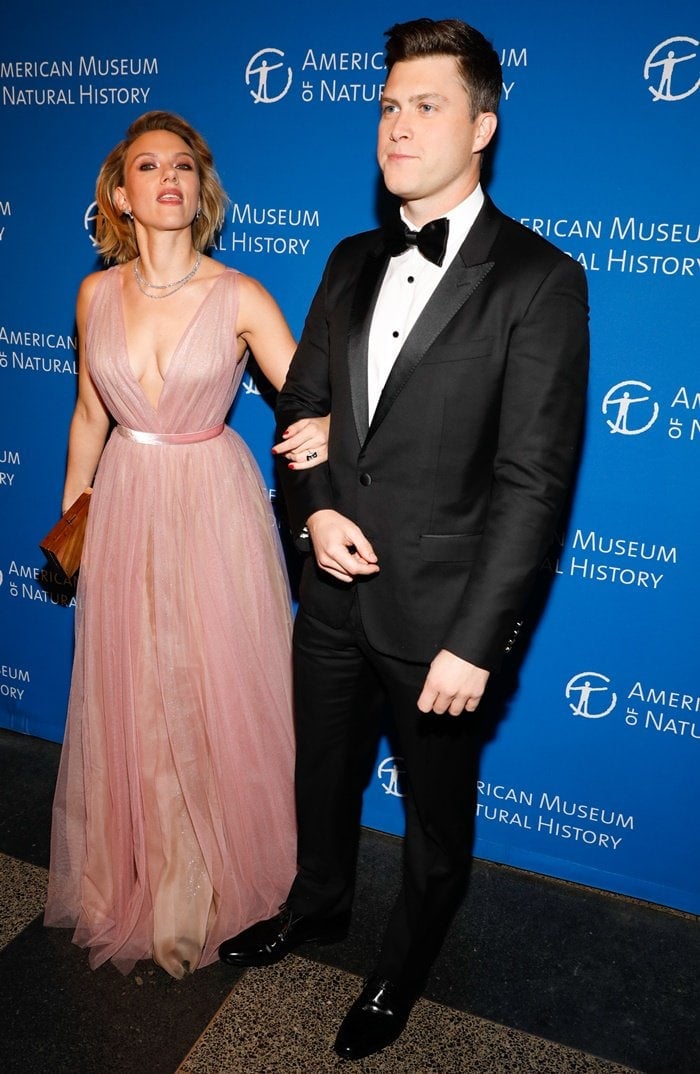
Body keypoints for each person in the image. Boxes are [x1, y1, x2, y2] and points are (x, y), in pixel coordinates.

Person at [219, 16, 590, 1062]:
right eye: (387, 103)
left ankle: (401, 969)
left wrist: (477, 642)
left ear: (482, 125)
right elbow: (301, 406)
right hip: (329, 592)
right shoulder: (347, 257)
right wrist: (317, 511)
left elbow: (532, 483)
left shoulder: (538, 280)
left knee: (434, 822)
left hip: (442, 618)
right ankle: (317, 905)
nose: (396, 123)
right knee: (322, 774)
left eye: (425, 105)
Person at [44, 111, 328, 980]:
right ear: (120, 195)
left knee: (216, 682)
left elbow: (308, 394)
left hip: (214, 501)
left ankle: (214, 880)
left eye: (183, 167)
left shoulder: (240, 295)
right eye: (147, 167)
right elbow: (91, 415)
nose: (168, 179)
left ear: (199, 190)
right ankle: (141, 872)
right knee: (133, 688)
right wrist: (70, 529)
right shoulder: (96, 295)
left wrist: (325, 430)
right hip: (126, 500)